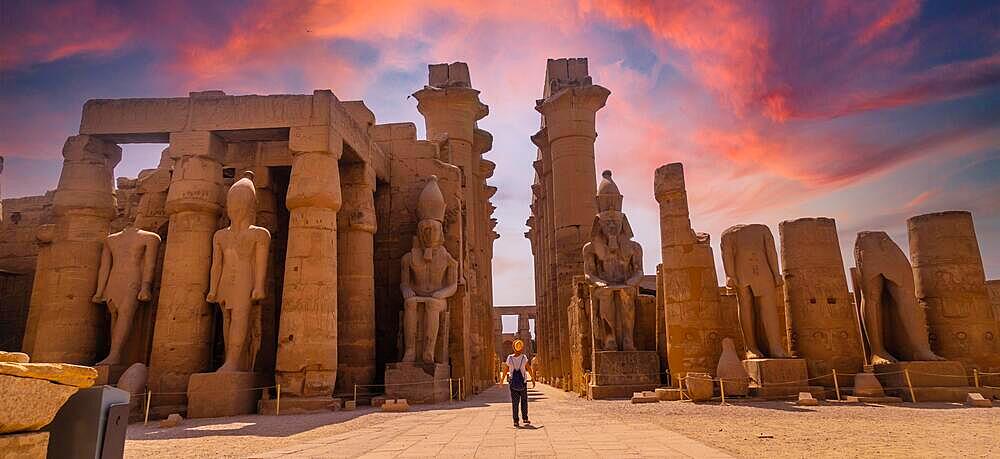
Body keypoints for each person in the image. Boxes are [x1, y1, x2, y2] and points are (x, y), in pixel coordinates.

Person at [500, 339, 535, 428]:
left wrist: (501, 380)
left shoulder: (509, 358)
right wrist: (533, 378)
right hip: (522, 382)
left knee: (515, 402)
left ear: (513, 348)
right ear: (522, 348)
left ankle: (516, 421)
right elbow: (529, 368)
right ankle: (525, 418)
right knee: (524, 401)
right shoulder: (524, 358)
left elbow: (505, 370)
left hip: (513, 382)